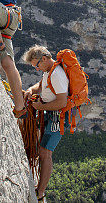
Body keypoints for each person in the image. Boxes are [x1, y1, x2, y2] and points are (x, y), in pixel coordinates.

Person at [22, 45, 69, 202]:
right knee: (42, 151)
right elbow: (42, 86)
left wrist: (40, 107)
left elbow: (62, 102)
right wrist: (31, 90)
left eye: (36, 65)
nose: (36, 69)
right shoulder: (49, 71)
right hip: (50, 115)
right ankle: (39, 189)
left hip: (57, 118)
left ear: (44, 58)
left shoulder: (57, 74)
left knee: (45, 153)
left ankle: (40, 192)